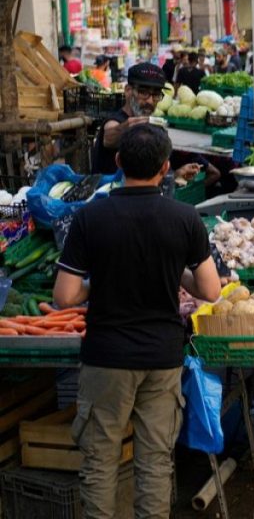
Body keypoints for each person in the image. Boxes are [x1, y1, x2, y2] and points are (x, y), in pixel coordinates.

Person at [55, 123, 221, 519]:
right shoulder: (185, 218)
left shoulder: (89, 218)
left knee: (100, 461)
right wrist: (172, 269)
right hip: (161, 359)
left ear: (117, 161)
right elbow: (210, 291)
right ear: (165, 168)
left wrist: (102, 278)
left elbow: (64, 297)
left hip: (106, 358)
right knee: (155, 462)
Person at [93, 63, 167, 175]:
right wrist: (125, 128)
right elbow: (109, 137)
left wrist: (175, 175)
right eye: (143, 92)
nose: (150, 101)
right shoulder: (115, 120)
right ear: (128, 91)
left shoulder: (151, 124)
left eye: (156, 94)